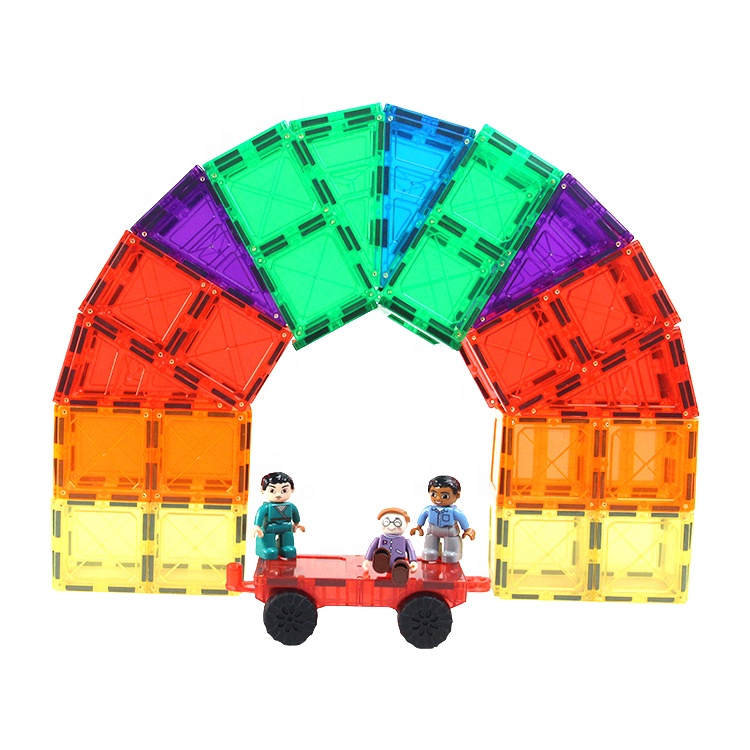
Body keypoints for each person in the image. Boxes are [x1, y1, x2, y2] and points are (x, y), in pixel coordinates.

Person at [410, 475, 475, 563]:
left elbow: (462, 518)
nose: (437, 498)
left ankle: (452, 552)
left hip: (449, 531)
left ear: (457, 495)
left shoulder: (454, 512)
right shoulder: (429, 509)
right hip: (433, 530)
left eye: (444, 496)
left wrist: (467, 529)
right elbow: (423, 516)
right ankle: (430, 551)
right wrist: (418, 527)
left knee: (451, 545)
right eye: (433, 494)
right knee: (430, 541)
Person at [252, 472, 305, 560]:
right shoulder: (266, 507)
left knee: (288, 542)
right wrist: (257, 527)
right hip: (270, 528)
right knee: (269, 544)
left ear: (292, 489)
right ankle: (268, 548)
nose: (278, 495)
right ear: (262, 490)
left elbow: (295, 514)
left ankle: (287, 547)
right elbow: (260, 515)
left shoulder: (291, 506)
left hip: (286, 527)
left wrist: (297, 523)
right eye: (272, 491)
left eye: (284, 491)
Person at [363, 507, 419, 586]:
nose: (391, 525)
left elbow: (411, 551)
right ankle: (380, 561)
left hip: (398, 561)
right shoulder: (379, 539)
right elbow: (371, 548)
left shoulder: (405, 541)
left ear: (406, 524)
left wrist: (413, 561)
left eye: (397, 522)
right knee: (381, 554)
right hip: (382, 562)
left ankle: (400, 574)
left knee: (400, 566)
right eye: (386, 522)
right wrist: (367, 559)